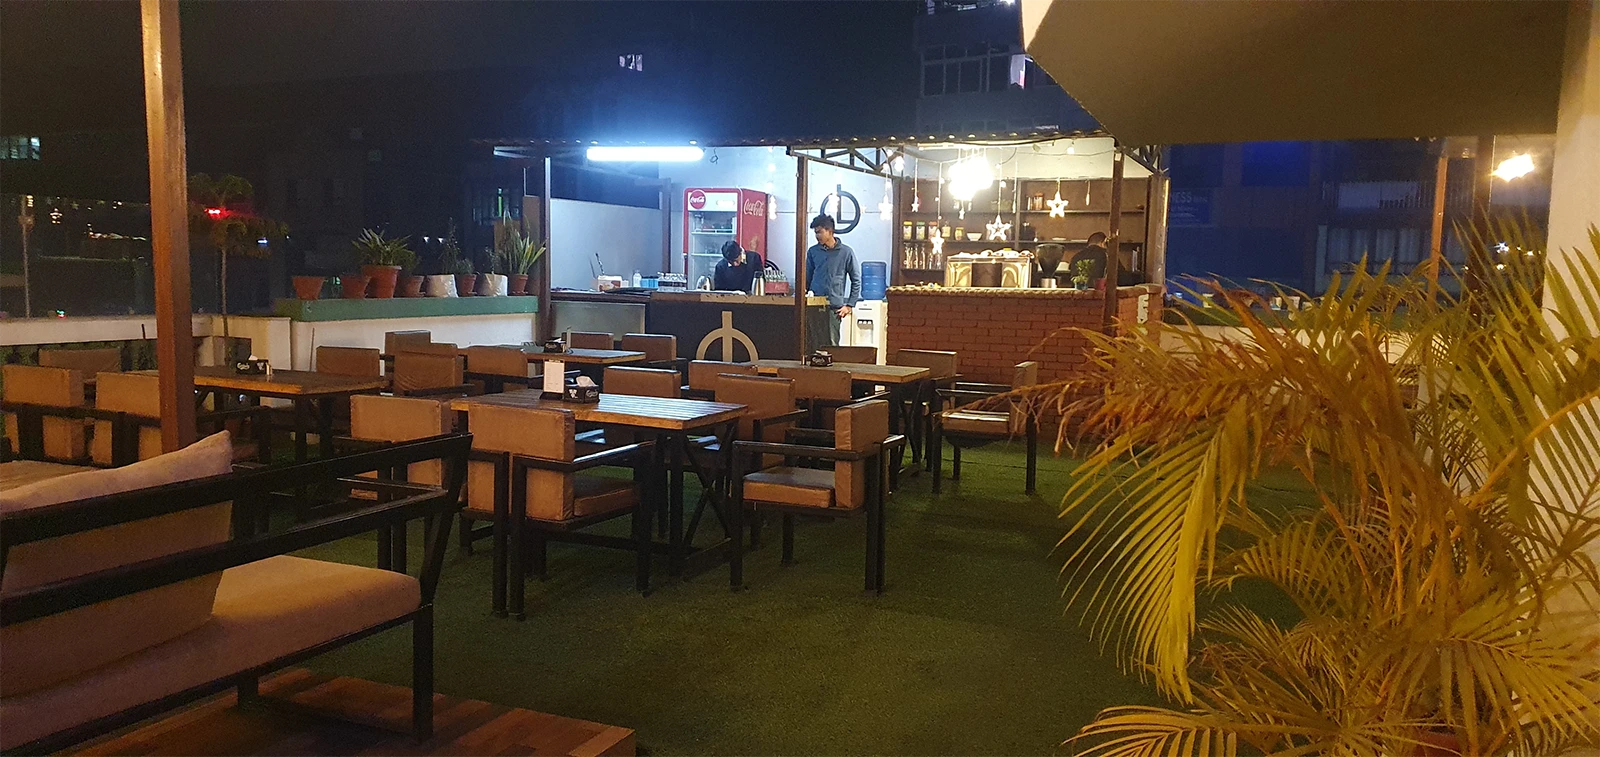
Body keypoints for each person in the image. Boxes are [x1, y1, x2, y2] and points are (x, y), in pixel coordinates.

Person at [804, 214, 860, 348]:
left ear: (830, 231)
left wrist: (849, 305)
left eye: (819, 232)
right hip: (813, 306)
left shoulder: (846, 252)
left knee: (832, 345)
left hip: (834, 308)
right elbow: (806, 278)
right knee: (811, 345)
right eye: (815, 232)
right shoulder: (813, 252)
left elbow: (856, 280)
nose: (817, 236)